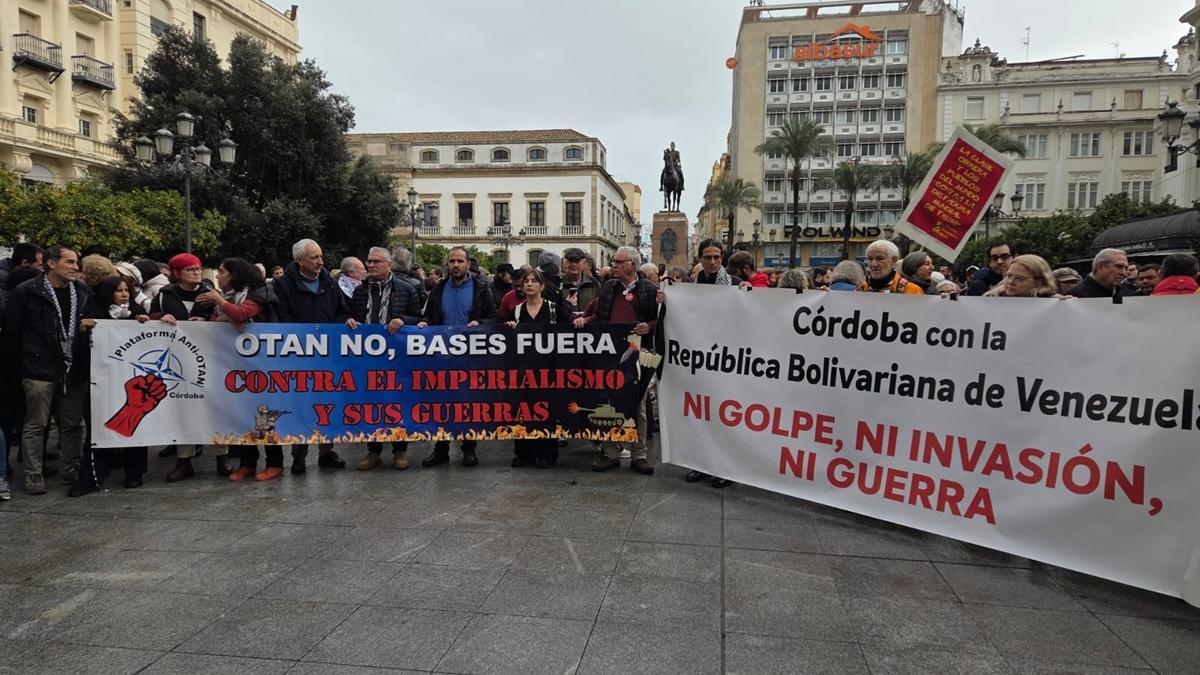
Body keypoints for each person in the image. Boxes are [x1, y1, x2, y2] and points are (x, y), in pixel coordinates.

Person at [4, 247, 95, 495]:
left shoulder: (82, 291)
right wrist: (19, 369)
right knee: (36, 424)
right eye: (71, 262)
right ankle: (33, 474)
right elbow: (13, 333)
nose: (76, 267)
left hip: (72, 368)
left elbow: (91, 321)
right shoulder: (27, 292)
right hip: (38, 368)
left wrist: (84, 326)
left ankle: (71, 469)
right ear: (52, 264)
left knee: (72, 423)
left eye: (77, 262)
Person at [575, 246, 656, 475]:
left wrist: (648, 327)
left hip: (638, 355)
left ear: (632, 264)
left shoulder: (649, 289)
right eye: (614, 261)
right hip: (610, 355)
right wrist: (585, 321)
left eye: (619, 262)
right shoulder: (609, 287)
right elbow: (598, 315)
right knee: (609, 403)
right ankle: (610, 451)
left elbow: (658, 321)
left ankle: (639, 454)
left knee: (637, 405)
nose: (615, 265)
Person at [271, 239, 349, 472]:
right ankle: (299, 454)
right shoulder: (283, 285)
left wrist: (344, 322)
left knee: (328, 405)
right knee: (302, 406)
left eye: (320, 256)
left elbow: (341, 312)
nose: (320, 261)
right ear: (299, 261)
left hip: (328, 356)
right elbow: (281, 318)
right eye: (314, 257)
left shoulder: (330, 283)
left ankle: (327, 451)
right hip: (299, 355)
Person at [418, 246, 498, 467]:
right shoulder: (438, 288)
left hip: (469, 354)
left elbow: (493, 317)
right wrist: (425, 321)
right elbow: (428, 313)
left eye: (459, 261)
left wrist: (479, 323)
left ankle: (469, 448)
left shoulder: (481, 289)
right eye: (451, 261)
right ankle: (441, 448)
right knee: (441, 403)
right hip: (442, 353)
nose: (455, 265)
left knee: (467, 403)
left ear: (468, 264)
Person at [151, 253, 227, 481]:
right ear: (177, 274)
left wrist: (209, 322)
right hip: (180, 360)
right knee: (183, 409)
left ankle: (222, 459)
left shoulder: (212, 294)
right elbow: (150, 317)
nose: (196, 272)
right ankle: (184, 460)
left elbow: (225, 316)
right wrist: (161, 318)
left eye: (198, 268)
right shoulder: (165, 295)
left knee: (217, 410)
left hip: (212, 360)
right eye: (189, 269)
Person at [71, 276, 149, 496]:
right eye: (118, 290)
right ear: (107, 294)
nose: (124, 294)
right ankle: (93, 475)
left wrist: (149, 322)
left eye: (127, 290)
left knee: (136, 422)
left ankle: (134, 473)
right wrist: (82, 330)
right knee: (98, 428)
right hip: (101, 381)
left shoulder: (136, 314)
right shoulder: (93, 315)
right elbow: (78, 351)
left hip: (131, 380)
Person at [348, 247, 420, 472]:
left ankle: (400, 450)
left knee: (397, 402)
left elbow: (420, 317)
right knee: (371, 403)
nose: (370, 265)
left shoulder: (407, 289)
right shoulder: (359, 292)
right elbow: (349, 314)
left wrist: (402, 319)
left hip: (397, 358)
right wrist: (348, 320)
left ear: (388, 264)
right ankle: (373, 450)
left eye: (376, 262)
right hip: (368, 358)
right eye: (368, 261)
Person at [505, 268, 571, 468]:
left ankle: (547, 453)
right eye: (526, 281)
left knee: (546, 410)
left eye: (534, 281)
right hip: (524, 369)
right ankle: (524, 453)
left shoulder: (553, 308)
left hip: (548, 369)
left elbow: (567, 332)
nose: (529, 284)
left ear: (542, 286)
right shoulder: (516, 310)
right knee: (523, 410)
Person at [1067, 248, 1137, 299]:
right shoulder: (1074, 297)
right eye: (1119, 267)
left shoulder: (1129, 292)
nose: (1124, 273)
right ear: (1100, 267)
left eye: (1125, 268)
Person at [984, 254, 1059, 298]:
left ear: (1038, 281)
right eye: (1009, 276)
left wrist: (1064, 305)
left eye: (1019, 279)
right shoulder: (991, 299)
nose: (1010, 282)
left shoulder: (1053, 303)